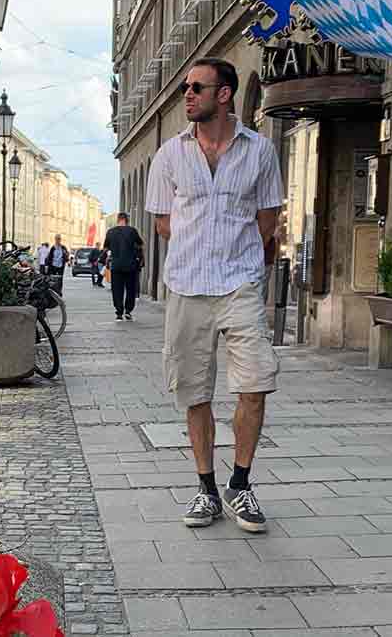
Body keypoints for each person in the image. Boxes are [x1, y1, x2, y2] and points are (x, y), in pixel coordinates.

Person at [145, 57, 282, 534]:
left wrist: (237, 254)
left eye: (196, 87)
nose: (187, 94)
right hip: (186, 284)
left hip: (240, 283)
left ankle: (240, 484)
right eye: (186, 87)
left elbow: (268, 220)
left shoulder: (260, 152)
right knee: (193, 390)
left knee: (256, 381)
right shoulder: (169, 156)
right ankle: (205, 489)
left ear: (224, 94)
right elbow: (163, 224)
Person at [103, 212, 145, 321]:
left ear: (118, 220)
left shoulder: (110, 232)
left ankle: (119, 313)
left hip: (116, 265)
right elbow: (140, 244)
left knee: (117, 289)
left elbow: (106, 248)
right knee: (130, 289)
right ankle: (128, 311)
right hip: (130, 266)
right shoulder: (132, 231)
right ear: (127, 220)